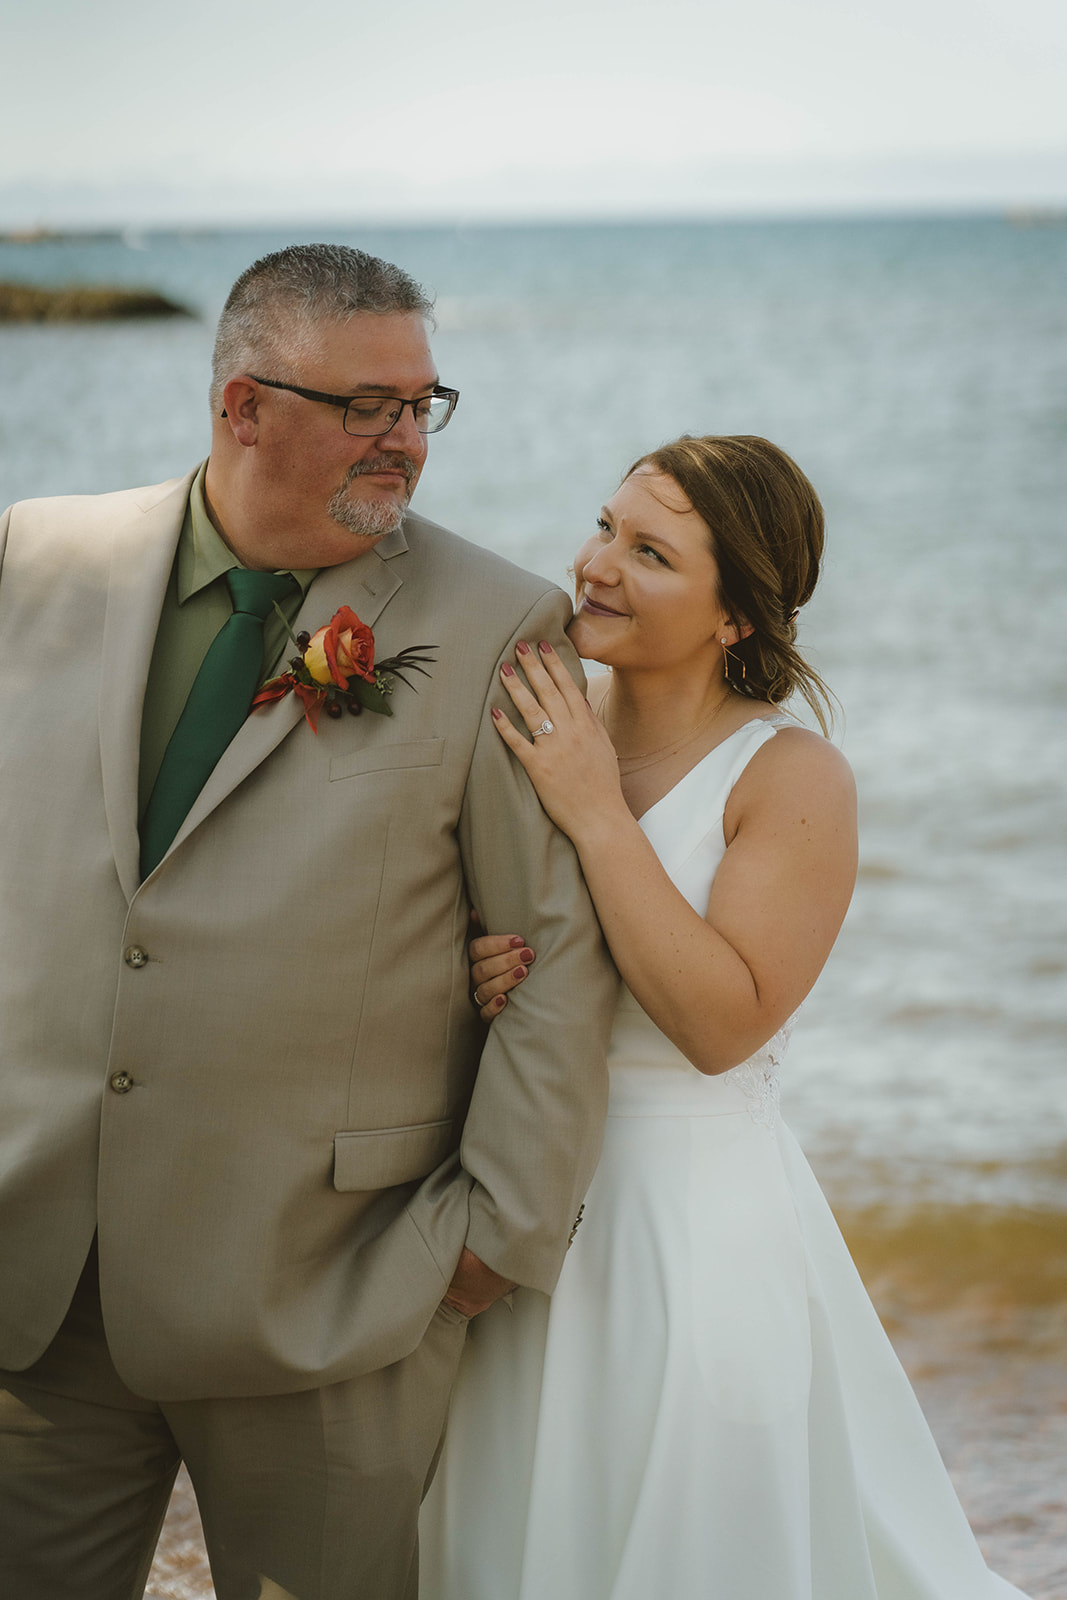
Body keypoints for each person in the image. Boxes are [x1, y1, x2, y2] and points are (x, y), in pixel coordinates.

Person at [0, 243, 617, 1600]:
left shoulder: (498, 623)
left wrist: (487, 1241)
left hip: (329, 1297)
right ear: (241, 408)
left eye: (422, 406)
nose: (404, 441)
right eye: (366, 407)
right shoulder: (35, 558)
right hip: (37, 1289)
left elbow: (556, 950)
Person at [419, 435, 1030, 1599]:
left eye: (649, 553)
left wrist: (595, 811)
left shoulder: (787, 776)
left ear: (734, 616)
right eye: (604, 526)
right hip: (517, 1200)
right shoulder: (534, 711)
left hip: (685, 1239)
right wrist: (476, 975)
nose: (596, 565)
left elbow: (721, 1023)